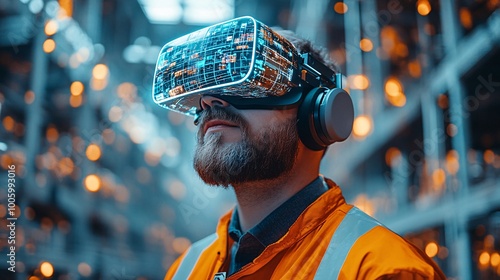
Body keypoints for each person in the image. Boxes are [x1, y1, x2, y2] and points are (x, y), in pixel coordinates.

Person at [158, 17, 445, 280]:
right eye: (206, 92)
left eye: (255, 84)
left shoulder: (383, 270)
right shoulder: (186, 268)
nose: (211, 102)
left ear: (319, 114)